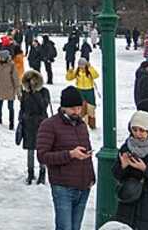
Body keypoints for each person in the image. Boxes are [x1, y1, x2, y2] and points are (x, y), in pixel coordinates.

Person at [37, 86, 96, 230]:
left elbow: (85, 154)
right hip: (63, 186)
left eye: (78, 108)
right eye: (73, 109)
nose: (77, 111)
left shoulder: (81, 125)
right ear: (63, 107)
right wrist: (70, 154)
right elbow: (42, 156)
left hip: (83, 185)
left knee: (76, 227)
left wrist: (91, 177)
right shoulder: (49, 125)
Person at [112, 110, 148, 229]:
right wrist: (123, 166)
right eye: (134, 129)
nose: (138, 134)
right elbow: (116, 174)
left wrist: (145, 169)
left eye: (142, 130)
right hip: (128, 203)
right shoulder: (127, 146)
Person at [19, 71, 50, 185]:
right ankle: (30, 172)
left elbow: (43, 105)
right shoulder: (25, 93)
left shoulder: (44, 92)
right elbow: (22, 108)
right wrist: (21, 119)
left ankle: (42, 173)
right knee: (30, 150)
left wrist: (36, 93)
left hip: (41, 124)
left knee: (41, 150)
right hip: (28, 124)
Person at [66, 57, 100, 129]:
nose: (81, 67)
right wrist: (70, 72)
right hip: (80, 90)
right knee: (81, 108)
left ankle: (92, 124)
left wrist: (90, 67)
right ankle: (81, 123)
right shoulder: (77, 71)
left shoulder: (89, 70)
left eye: (83, 65)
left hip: (89, 90)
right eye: (80, 65)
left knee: (91, 108)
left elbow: (96, 75)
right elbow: (69, 78)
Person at [0, 50, 20, 130]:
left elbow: (16, 79)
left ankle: (11, 123)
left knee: (10, 107)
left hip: (9, 89)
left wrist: (18, 92)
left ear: (4, 57)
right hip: (0, 88)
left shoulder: (11, 65)